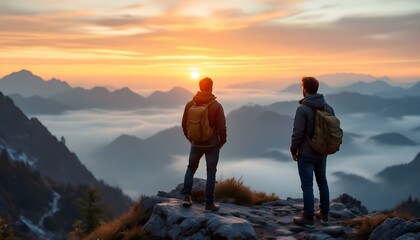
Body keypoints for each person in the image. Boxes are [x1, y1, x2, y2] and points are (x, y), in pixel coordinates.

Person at [291, 76, 333, 227]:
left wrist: (293, 149)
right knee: (322, 182)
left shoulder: (302, 109)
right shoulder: (328, 107)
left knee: (307, 185)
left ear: (305, 89)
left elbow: (297, 133)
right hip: (322, 153)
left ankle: (308, 218)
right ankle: (325, 215)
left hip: (306, 154)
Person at [181, 77, 227, 212]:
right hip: (212, 145)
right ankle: (209, 204)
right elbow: (222, 127)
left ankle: (185, 197)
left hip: (195, 144)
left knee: (191, 168)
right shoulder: (216, 106)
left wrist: (191, 139)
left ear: (200, 87)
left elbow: (184, 124)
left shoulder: (190, 104)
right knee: (211, 172)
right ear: (211, 88)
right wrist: (222, 141)